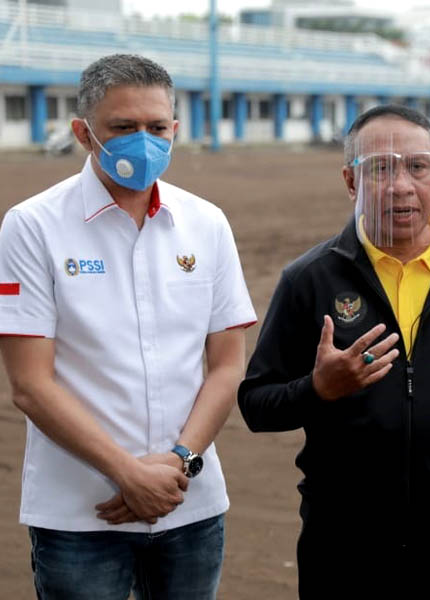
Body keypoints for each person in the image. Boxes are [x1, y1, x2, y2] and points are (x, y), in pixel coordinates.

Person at [238, 104, 430, 599]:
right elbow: (256, 404)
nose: (401, 185)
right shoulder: (308, 280)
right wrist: (318, 389)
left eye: (417, 166)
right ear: (350, 180)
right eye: (379, 167)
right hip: (342, 546)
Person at [0, 54, 256, 599]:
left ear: (175, 129)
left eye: (156, 127)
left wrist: (180, 462)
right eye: (123, 128)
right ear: (83, 132)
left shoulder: (206, 223)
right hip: (81, 515)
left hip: (191, 504)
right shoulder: (32, 227)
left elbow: (228, 364)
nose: (143, 142)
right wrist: (127, 473)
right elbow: (29, 384)